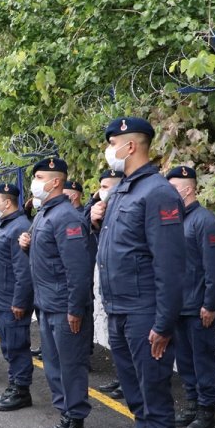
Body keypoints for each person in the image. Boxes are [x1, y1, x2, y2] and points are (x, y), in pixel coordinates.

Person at [95, 117, 185, 428]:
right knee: (135, 396)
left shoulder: (158, 193)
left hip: (145, 313)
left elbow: (170, 264)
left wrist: (163, 324)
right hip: (120, 310)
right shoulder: (123, 192)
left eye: (112, 143)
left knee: (154, 396)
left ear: (130, 147)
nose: (107, 150)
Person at [18, 157, 93, 428]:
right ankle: (65, 416)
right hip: (47, 303)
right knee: (53, 366)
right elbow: (46, 261)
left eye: (39, 176)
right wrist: (27, 247)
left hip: (65, 307)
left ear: (56, 182)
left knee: (71, 367)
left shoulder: (66, 217)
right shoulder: (44, 215)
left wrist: (75, 308)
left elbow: (78, 269)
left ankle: (77, 424)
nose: (34, 182)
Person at [166, 166, 215, 428]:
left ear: (188, 189)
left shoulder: (205, 221)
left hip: (199, 307)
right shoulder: (174, 220)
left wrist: (210, 304)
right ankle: (192, 403)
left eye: (172, 189)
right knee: (185, 360)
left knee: (202, 360)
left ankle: (206, 409)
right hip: (180, 306)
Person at [0, 184, 35, 411]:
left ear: (7, 202)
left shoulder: (20, 227)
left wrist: (20, 301)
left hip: (10, 300)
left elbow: (24, 270)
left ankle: (22, 391)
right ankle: (14, 385)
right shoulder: (0, 224)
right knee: (8, 346)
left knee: (17, 346)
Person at [89, 168, 126, 399]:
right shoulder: (107, 215)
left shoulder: (125, 210)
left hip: (132, 296)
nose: (98, 193)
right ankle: (122, 380)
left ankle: (202, 406)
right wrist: (95, 221)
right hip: (113, 294)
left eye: (104, 187)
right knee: (120, 349)